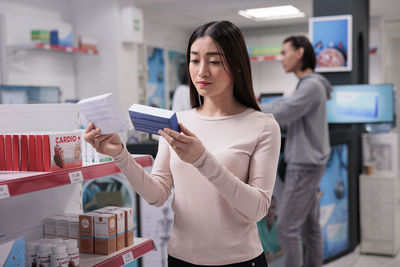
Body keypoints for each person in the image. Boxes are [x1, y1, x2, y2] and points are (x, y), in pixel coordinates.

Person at [85, 20, 281, 267]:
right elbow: (157, 195)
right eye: (195, 60)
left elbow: (258, 209)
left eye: (215, 61)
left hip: (240, 260)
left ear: (238, 66)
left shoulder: (262, 125)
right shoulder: (178, 122)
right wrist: (121, 155)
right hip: (181, 259)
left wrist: (203, 160)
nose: (202, 71)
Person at [261, 36, 332, 267]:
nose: (281, 58)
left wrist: (251, 108)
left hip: (303, 166)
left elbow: (285, 111)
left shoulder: (311, 85)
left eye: (284, 52)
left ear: (300, 52)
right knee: (309, 227)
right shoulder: (309, 85)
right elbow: (290, 118)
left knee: (286, 227)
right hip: (308, 164)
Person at [257, 196, 283, 262]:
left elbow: (292, 246)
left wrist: (275, 255)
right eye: (268, 207)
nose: (270, 211)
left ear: (276, 208)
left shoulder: (283, 225)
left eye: (273, 207)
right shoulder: (256, 224)